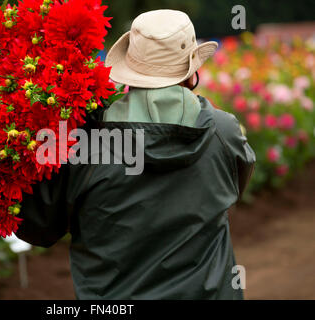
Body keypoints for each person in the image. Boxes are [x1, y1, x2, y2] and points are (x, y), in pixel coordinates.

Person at [16, 9, 256, 300]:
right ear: (192, 71)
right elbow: (232, 189)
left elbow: (39, 229)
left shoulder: (83, 141)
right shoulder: (224, 132)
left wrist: (22, 149)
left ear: (131, 66)